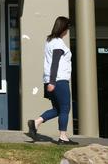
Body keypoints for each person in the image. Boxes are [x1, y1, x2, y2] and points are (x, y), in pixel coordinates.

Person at [26, 16, 77, 145]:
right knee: (65, 108)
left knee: (57, 109)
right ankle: (63, 137)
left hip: (50, 80)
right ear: (63, 28)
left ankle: (36, 122)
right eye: (67, 27)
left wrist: (50, 82)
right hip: (58, 81)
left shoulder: (49, 41)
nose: (67, 30)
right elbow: (55, 63)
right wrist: (53, 82)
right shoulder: (58, 43)